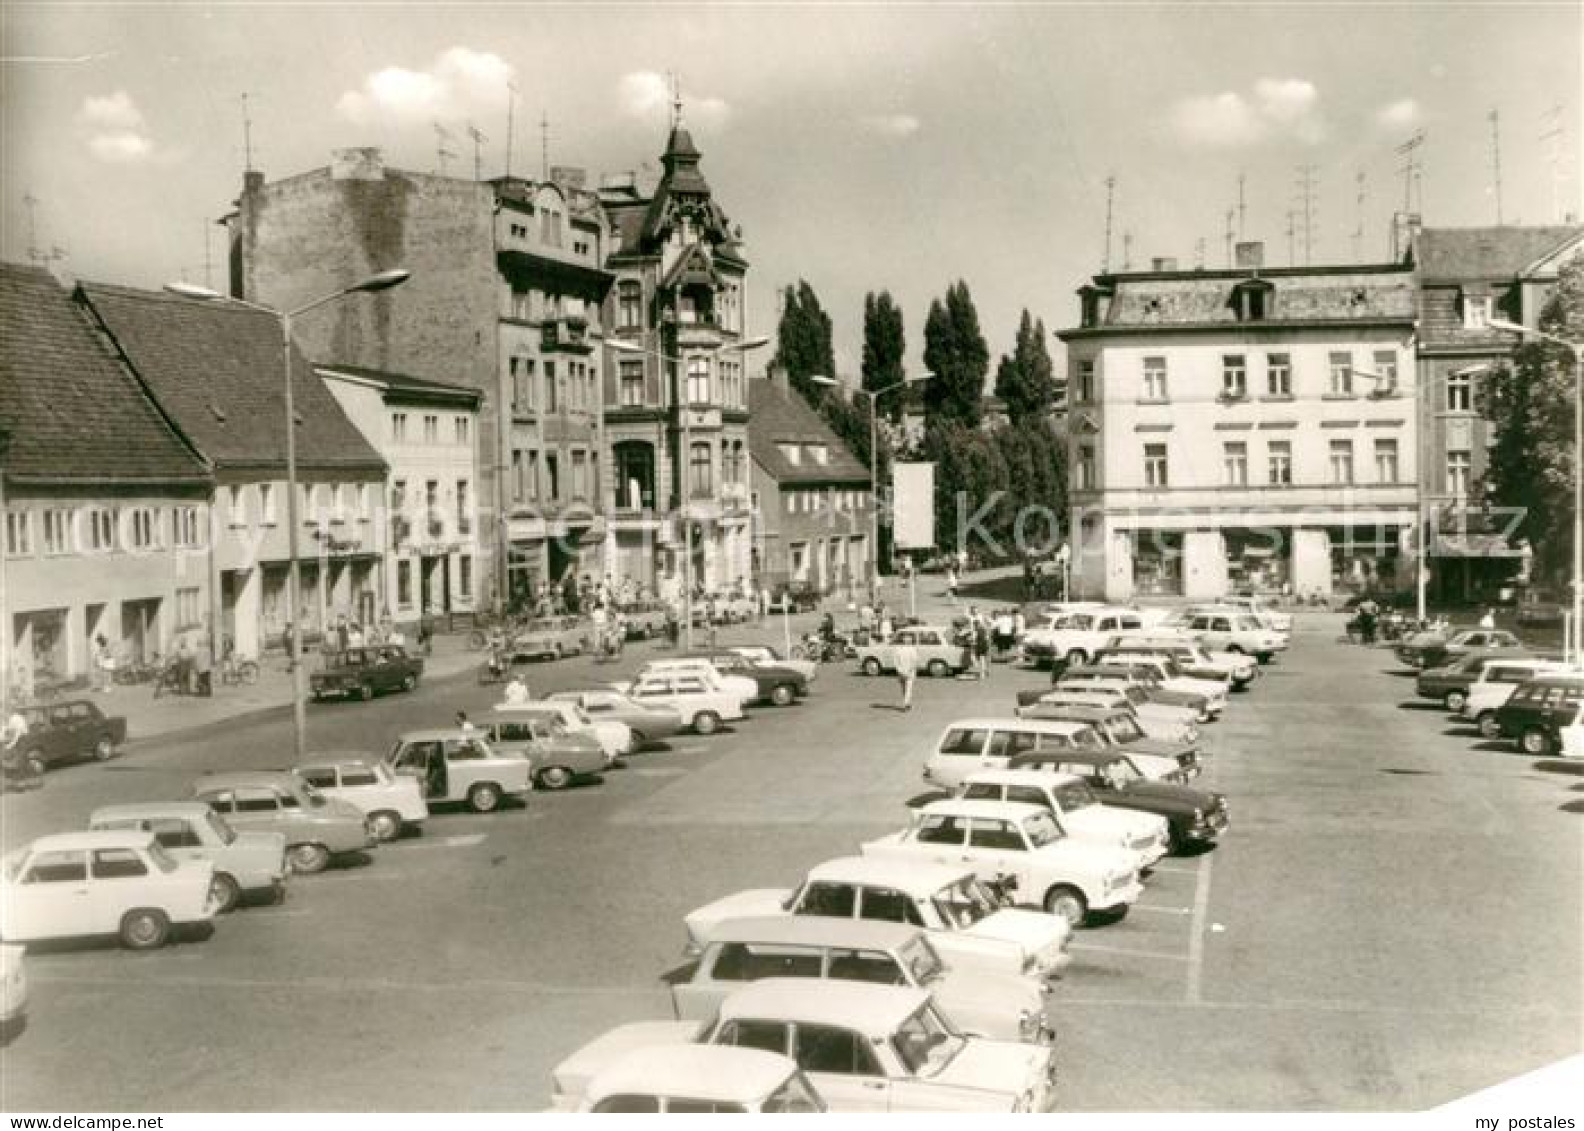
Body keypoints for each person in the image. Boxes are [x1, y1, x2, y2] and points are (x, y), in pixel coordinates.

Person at [892, 635, 919, 711]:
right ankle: (906, 703)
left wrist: (899, 670)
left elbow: (895, 661)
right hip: (910, 671)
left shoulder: (898, 650)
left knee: (903, 688)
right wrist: (910, 670)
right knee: (909, 688)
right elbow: (915, 661)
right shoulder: (913, 650)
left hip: (901, 671)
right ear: (910, 641)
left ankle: (907, 703)